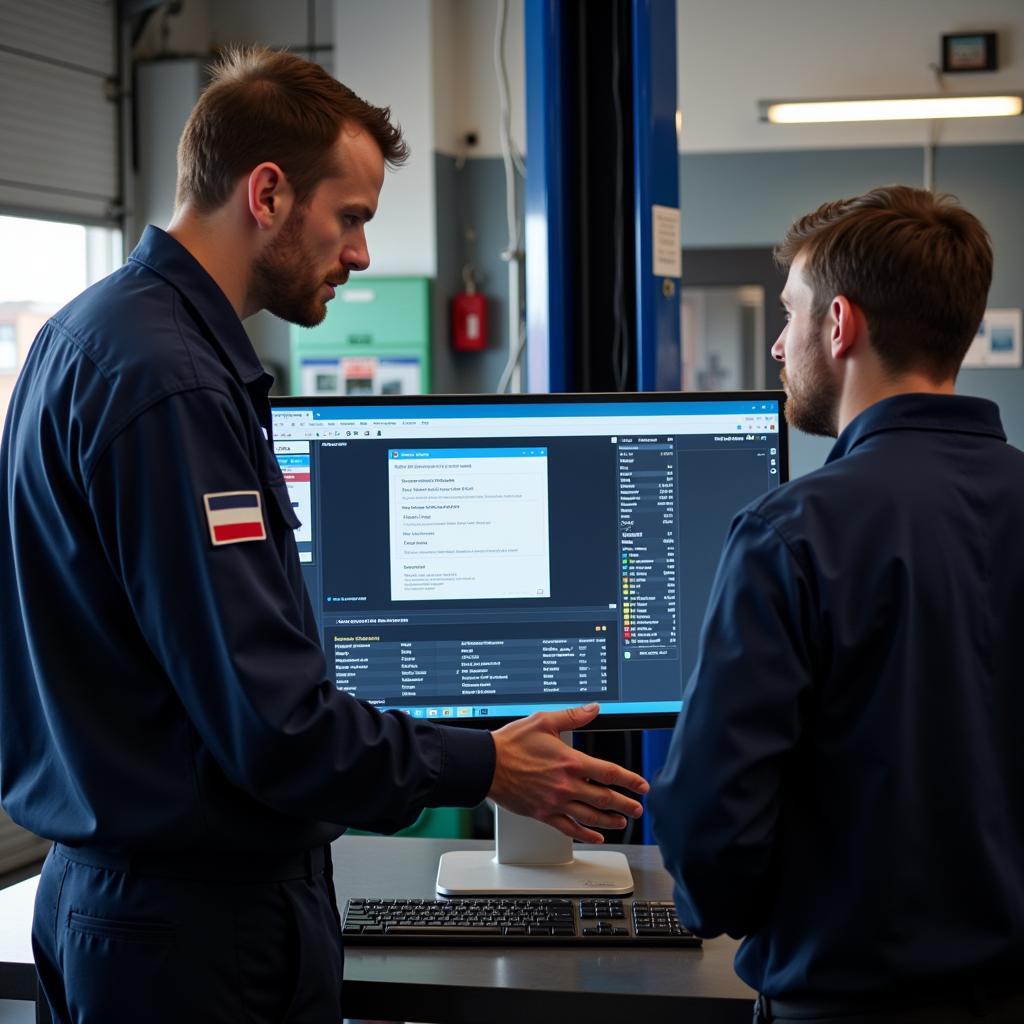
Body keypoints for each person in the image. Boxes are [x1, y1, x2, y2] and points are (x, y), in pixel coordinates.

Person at [0, 46, 648, 1023]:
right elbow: (275, 728)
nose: (361, 255)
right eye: (350, 218)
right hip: (192, 932)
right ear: (267, 193)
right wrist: (488, 764)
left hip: (130, 906)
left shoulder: (86, 337)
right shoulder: (171, 383)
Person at [649, 185, 1024, 1023]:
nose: (780, 346)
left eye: (790, 316)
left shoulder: (792, 536)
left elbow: (713, 831)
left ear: (840, 324)